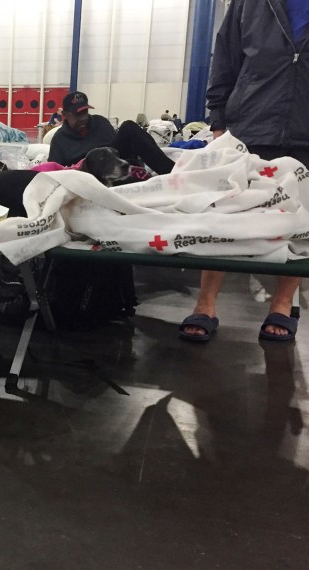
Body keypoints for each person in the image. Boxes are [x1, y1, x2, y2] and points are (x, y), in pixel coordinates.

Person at [179, 0, 309, 343]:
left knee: (301, 219)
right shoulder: (250, 3)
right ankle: (205, 302)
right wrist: (218, 119)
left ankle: (281, 305)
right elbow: (226, 56)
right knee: (226, 212)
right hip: (252, 123)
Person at [47, 91, 175, 176]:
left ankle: (172, 173)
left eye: (84, 112)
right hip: (89, 174)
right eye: (77, 114)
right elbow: (54, 171)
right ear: (65, 115)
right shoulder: (59, 140)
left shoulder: (100, 123)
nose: (83, 118)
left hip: (113, 162)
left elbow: (117, 151)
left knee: (129, 127)